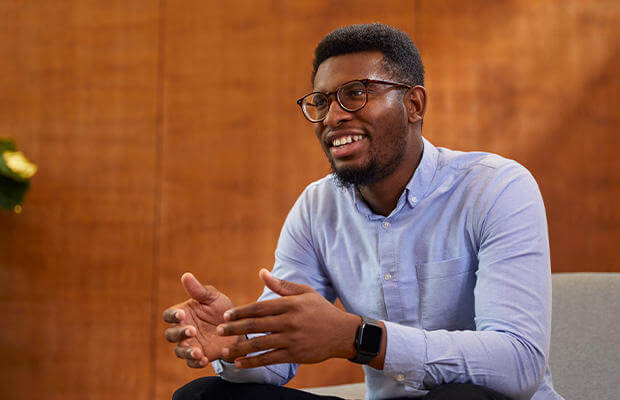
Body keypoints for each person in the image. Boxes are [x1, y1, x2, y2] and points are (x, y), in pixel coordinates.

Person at [163, 23, 564, 400]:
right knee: (202, 396)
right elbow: (276, 358)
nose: (333, 117)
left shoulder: (496, 188)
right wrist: (237, 345)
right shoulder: (317, 209)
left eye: (356, 93)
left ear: (414, 104)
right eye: (320, 101)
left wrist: (359, 338)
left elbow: (520, 361)